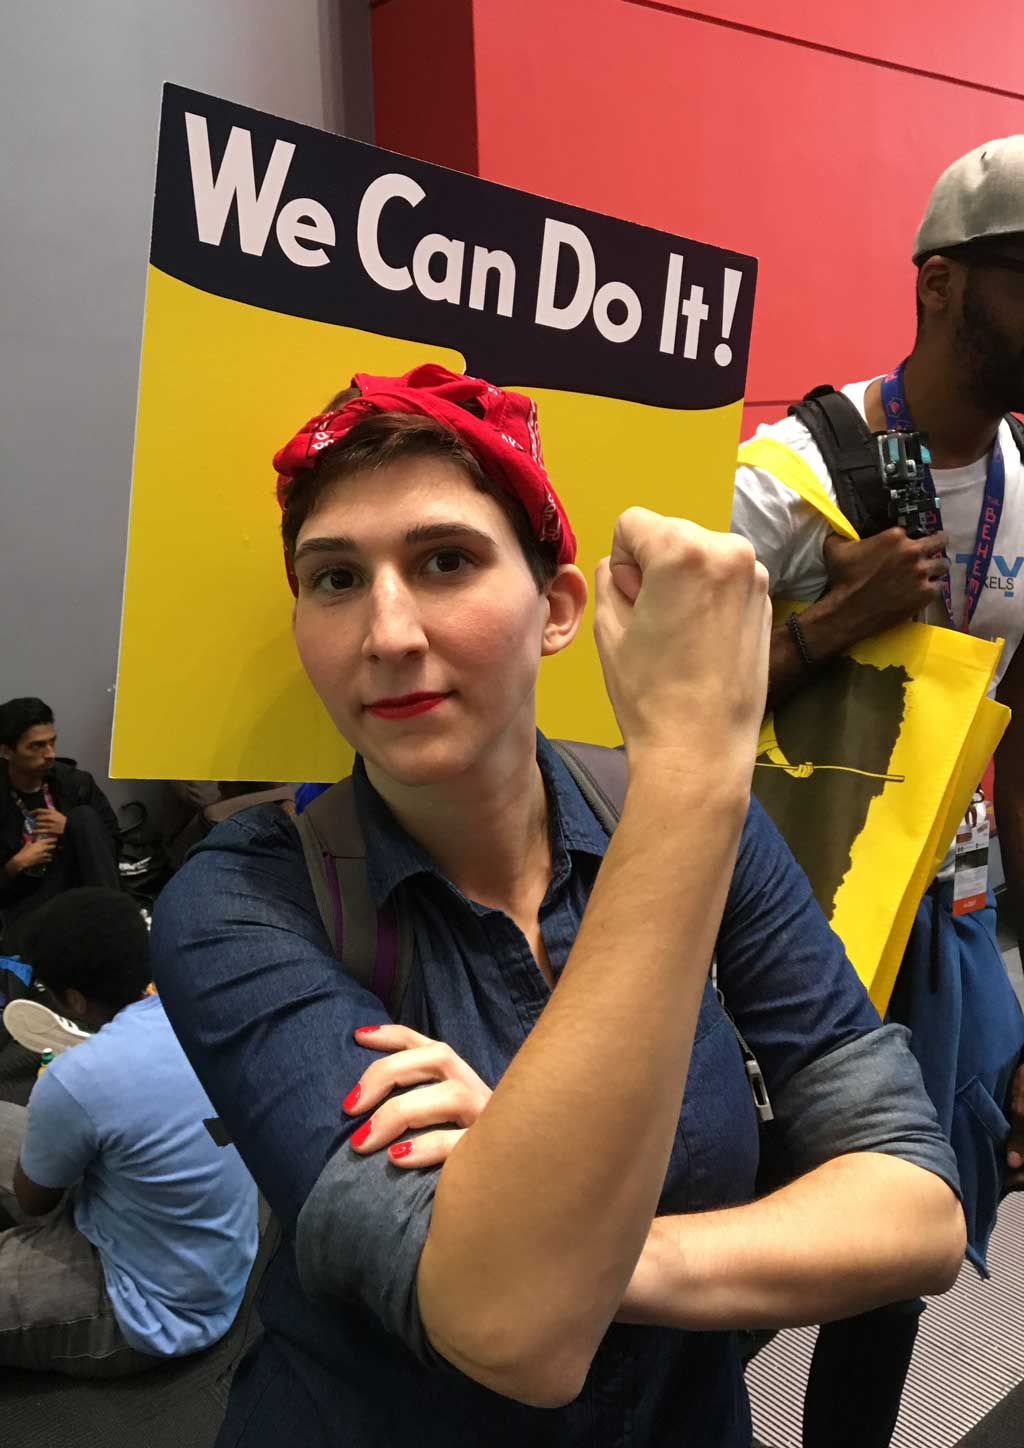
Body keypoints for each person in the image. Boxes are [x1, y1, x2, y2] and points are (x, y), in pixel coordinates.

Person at [152, 364, 965, 1447]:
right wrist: (693, 769)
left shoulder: (679, 822)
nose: (387, 630)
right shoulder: (243, 896)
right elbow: (513, 1326)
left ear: (558, 608)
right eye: (334, 578)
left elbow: (916, 1204)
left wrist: (554, 1224)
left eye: (445, 560)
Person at [731, 135, 1024, 1447]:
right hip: (774, 942)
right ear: (940, 285)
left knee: (903, 1258)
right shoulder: (785, 475)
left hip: (949, 938)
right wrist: (829, 626)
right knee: (722, 1255)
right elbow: (640, 721)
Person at [0, 886, 258, 1375]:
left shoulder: (76, 1079)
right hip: (205, 1253)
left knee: (46, 1162)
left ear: (72, 999)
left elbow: (36, 1201)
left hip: (156, 1309)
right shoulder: (205, 1011)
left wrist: (56, 1132)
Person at [0, 697, 121, 951]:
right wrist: (15, 865)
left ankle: (116, 933)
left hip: (86, 891)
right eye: (36, 746)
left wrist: (70, 830)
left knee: (84, 818)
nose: (50, 754)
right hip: (29, 904)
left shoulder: (76, 784)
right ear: (7, 751)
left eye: (52, 742)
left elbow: (110, 849)